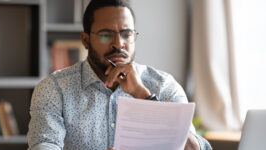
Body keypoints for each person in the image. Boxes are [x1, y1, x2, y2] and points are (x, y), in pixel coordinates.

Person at [27, 0, 212, 150]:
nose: (119, 43)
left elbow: (195, 148)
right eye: (106, 35)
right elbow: (44, 145)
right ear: (85, 40)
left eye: (126, 34)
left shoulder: (163, 85)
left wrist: (143, 96)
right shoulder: (54, 89)